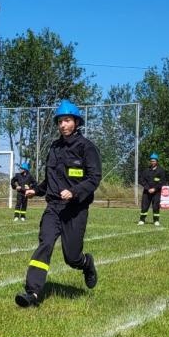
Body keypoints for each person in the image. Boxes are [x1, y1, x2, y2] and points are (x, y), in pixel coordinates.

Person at [15, 100, 102, 308]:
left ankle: (86, 263)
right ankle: (33, 293)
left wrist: (74, 192)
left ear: (76, 122)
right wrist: (36, 190)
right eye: (60, 121)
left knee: (71, 257)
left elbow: (94, 178)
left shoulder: (87, 148)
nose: (63, 125)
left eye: (67, 120)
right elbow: (50, 181)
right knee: (45, 244)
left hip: (75, 210)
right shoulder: (54, 148)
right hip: (53, 207)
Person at [138, 152, 166, 227]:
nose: (152, 162)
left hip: (156, 192)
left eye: (154, 161)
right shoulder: (146, 170)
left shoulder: (161, 171)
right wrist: (147, 188)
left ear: (157, 161)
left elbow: (162, 182)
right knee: (144, 206)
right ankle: (142, 220)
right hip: (147, 192)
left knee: (156, 206)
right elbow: (141, 180)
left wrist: (155, 188)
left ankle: (156, 220)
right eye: (151, 161)